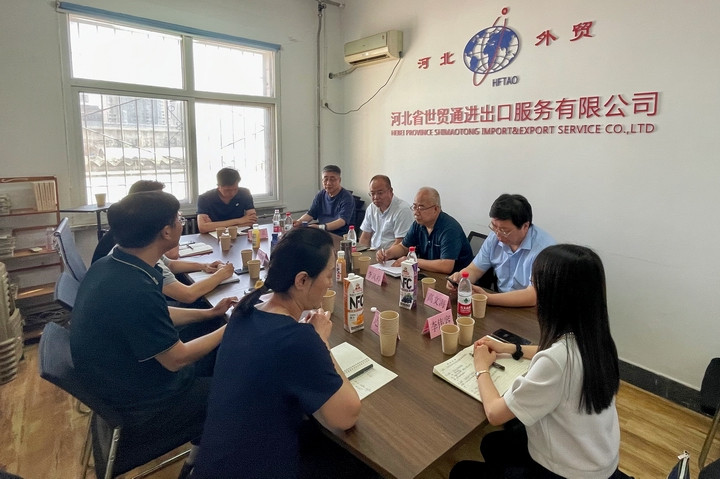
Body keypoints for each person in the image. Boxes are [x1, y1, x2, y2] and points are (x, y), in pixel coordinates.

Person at [70, 191, 237, 478]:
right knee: (241, 387)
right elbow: (176, 359)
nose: (182, 222)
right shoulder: (134, 288)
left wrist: (210, 314)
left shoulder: (115, 265)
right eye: (178, 218)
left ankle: (200, 450)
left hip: (121, 380)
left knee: (211, 335)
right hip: (145, 405)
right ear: (166, 231)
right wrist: (231, 326)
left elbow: (158, 313)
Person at [192, 227, 377, 478]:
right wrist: (320, 341)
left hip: (215, 461)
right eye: (328, 274)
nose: (329, 282)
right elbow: (346, 416)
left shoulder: (246, 309)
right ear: (302, 280)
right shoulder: (297, 339)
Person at [449, 244, 622, 479]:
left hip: (567, 472)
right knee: (492, 443)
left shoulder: (556, 360)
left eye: (535, 284)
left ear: (554, 296)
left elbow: (495, 414)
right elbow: (555, 352)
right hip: (597, 459)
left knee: (461, 471)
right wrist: (513, 348)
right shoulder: (597, 339)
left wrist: (481, 366)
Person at [91, 179, 235, 305]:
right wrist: (221, 274)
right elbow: (187, 294)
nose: (181, 222)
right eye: (179, 219)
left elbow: (169, 263)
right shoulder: (138, 262)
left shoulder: (131, 241)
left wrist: (203, 265)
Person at [447, 194, 555, 307]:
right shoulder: (494, 237)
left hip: (531, 309)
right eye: (494, 226)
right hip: (500, 301)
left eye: (504, 230)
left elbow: (533, 296)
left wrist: (488, 298)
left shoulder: (545, 249)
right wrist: (461, 279)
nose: (498, 234)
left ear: (525, 226)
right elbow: (475, 269)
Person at [377, 187, 473, 274]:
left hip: (454, 280)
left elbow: (446, 266)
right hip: (428, 274)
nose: (416, 212)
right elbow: (403, 247)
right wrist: (387, 253)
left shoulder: (449, 229)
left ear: (436, 209)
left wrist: (412, 261)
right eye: (414, 207)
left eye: (421, 207)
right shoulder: (418, 224)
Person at [293, 164, 355, 236]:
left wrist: (321, 227)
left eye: (332, 179)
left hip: (340, 235)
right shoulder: (321, 195)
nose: (328, 183)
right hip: (323, 233)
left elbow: (342, 221)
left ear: (339, 180)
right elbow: (311, 213)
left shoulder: (347, 197)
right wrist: (299, 221)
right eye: (325, 179)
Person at [358, 175, 414, 251]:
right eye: (372, 193)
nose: (376, 197)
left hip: (393, 255)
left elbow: (401, 243)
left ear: (390, 191)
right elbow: (365, 237)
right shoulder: (371, 208)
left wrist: (384, 255)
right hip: (373, 252)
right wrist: (361, 254)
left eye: (380, 193)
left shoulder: (403, 210)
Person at [196, 167, 257, 233]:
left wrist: (213, 226)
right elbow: (202, 228)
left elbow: (252, 221)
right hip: (213, 236)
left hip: (239, 234)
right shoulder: (205, 198)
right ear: (218, 186)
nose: (232, 193)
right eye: (227, 190)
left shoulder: (244, 193)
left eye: (235, 189)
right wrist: (240, 220)